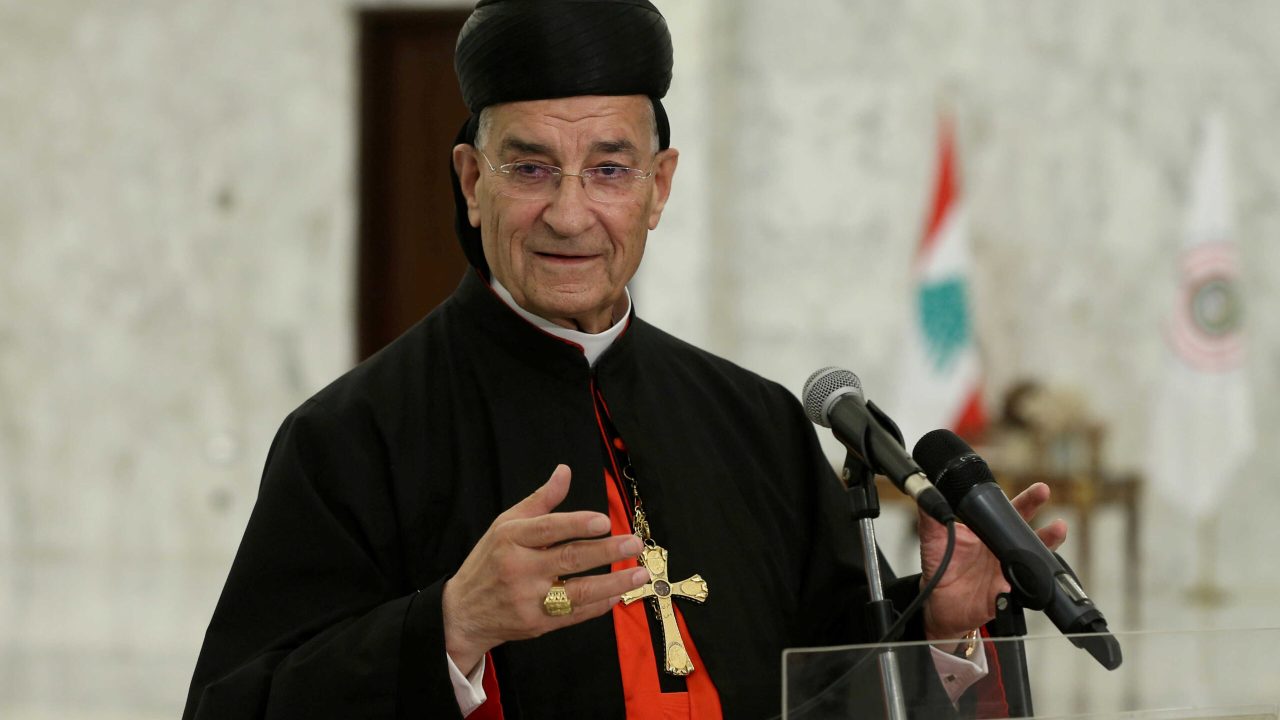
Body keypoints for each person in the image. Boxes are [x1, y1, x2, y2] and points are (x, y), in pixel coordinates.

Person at [182, 1, 1067, 718]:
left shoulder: (756, 423)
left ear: (660, 186)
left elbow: (836, 691)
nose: (570, 215)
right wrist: (451, 628)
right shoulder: (352, 436)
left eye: (609, 171)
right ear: (468, 181)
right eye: (530, 170)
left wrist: (945, 624)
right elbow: (233, 706)